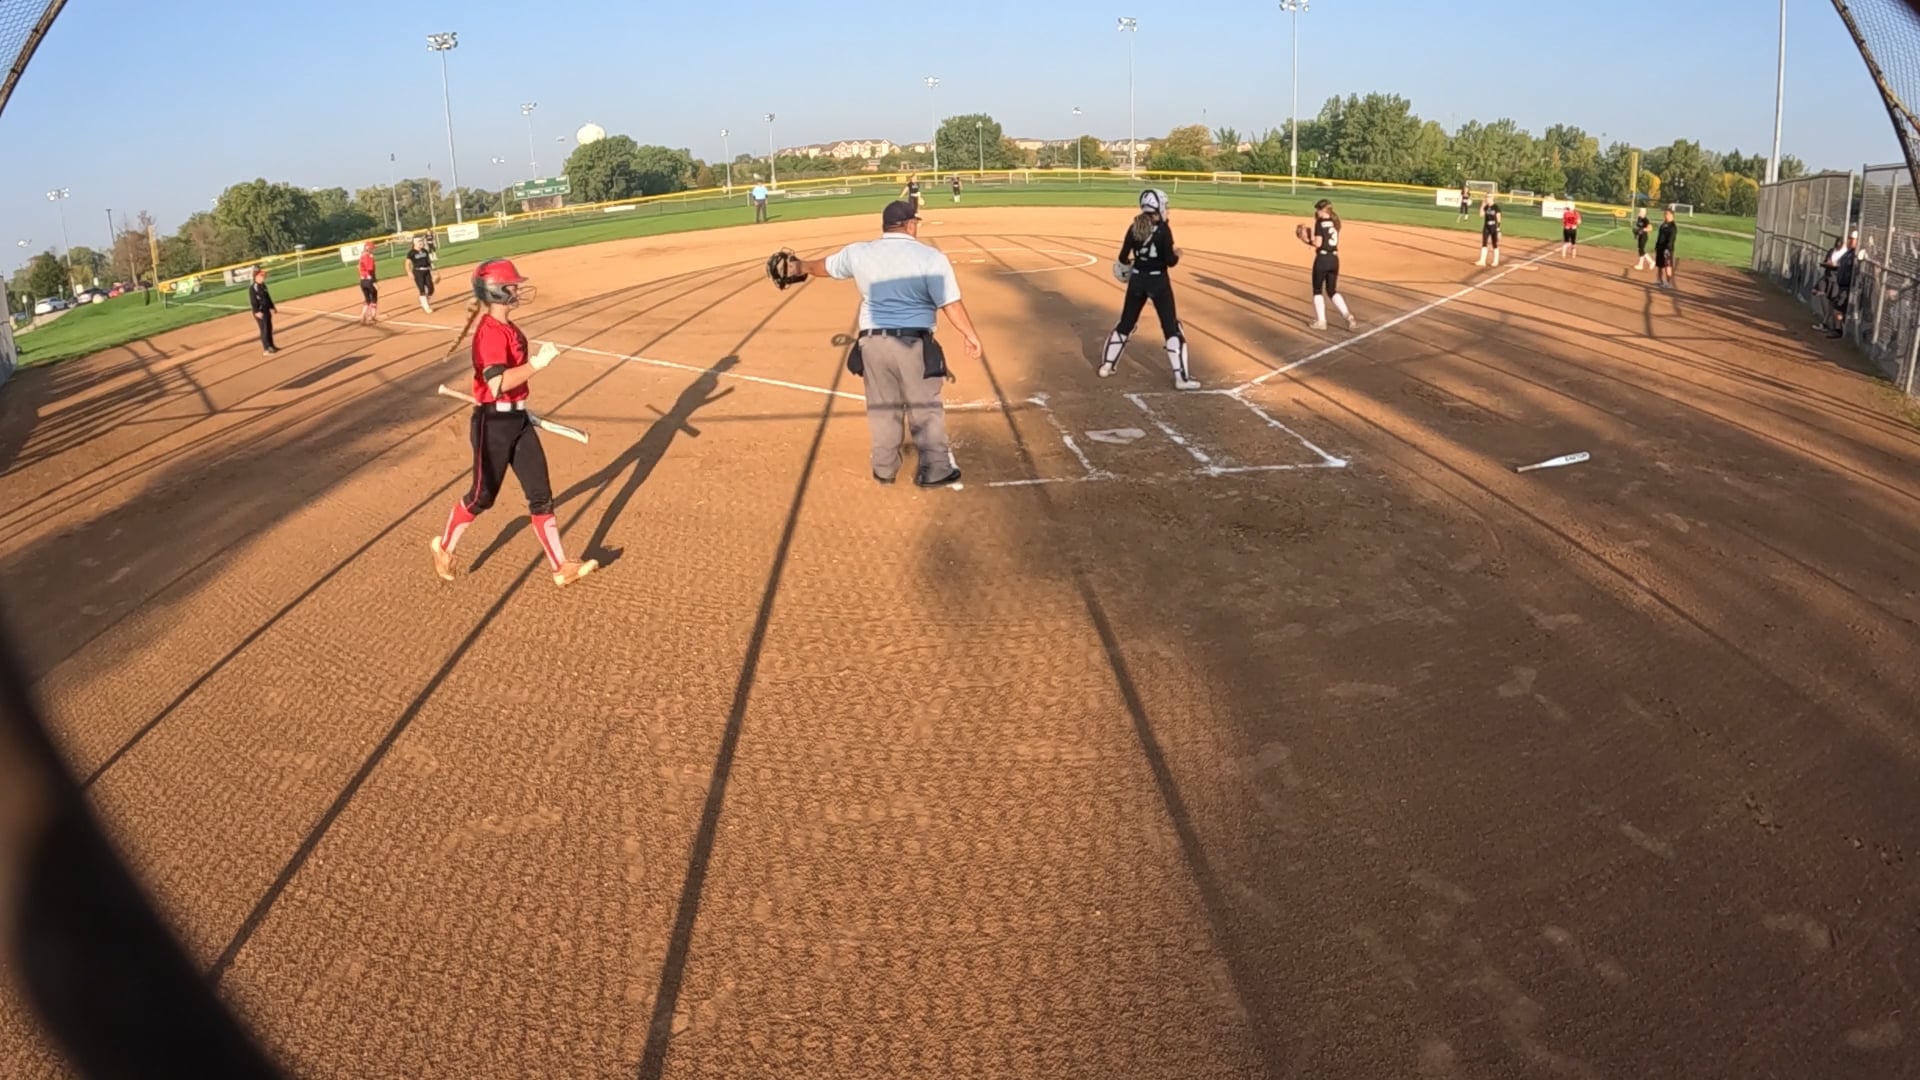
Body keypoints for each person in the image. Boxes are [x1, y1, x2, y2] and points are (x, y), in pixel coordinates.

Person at [431, 259, 597, 587]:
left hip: (517, 419)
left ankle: (560, 567)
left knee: (540, 494)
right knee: (482, 497)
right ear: (496, 291)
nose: (517, 289)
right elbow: (496, 384)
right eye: (511, 285)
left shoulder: (508, 327)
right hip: (492, 424)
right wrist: (537, 364)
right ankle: (444, 547)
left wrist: (519, 407)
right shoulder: (490, 334)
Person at [792, 200, 983, 487]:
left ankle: (884, 469)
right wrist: (969, 334)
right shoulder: (930, 257)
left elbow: (823, 267)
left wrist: (800, 266)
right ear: (910, 225)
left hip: (872, 344)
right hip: (913, 344)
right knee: (924, 408)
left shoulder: (859, 252)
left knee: (882, 408)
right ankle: (936, 470)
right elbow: (950, 303)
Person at [1101, 189, 1199, 389]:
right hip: (1158, 282)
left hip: (1137, 280)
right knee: (1171, 327)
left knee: (1126, 323)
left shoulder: (1134, 227)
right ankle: (1181, 379)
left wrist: (1134, 263)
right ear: (1159, 207)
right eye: (1166, 206)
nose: (1167, 210)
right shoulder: (1163, 230)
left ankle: (1107, 366)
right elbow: (1170, 262)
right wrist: (1177, 254)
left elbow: (1122, 257)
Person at [1299, 198, 1357, 331]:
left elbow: (1318, 244)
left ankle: (1321, 322)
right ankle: (1348, 316)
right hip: (1334, 260)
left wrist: (1306, 240)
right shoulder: (1335, 222)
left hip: (1322, 260)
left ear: (1324, 210)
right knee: (1332, 291)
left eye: (1318, 209)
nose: (1317, 212)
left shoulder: (1320, 223)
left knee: (1317, 290)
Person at [1817, 231, 1858, 338]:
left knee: (1838, 308)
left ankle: (1838, 330)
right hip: (1841, 284)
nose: (1849, 241)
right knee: (1836, 307)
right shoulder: (1848, 253)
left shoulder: (1855, 254)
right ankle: (1836, 328)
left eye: (1852, 239)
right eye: (1849, 239)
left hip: (1847, 286)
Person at [248, 267, 277, 355]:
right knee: (264, 329)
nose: (263, 277)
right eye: (261, 276)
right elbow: (253, 301)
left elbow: (268, 297)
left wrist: (272, 307)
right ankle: (266, 349)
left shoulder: (263, 285)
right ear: (256, 277)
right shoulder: (253, 287)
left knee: (269, 328)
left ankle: (271, 346)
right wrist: (256, 311)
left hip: (266, 310)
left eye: (263, 276)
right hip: (260, 312)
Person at [405, 235, 437, 314]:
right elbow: (407, 263)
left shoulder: (425, 251)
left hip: (427, 271)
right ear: (415, 243)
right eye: (419, 241)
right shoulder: (411, 253)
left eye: (421, 241)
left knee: (431, 288)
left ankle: (424, 301)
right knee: (422, 289)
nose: (421, 243)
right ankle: (426, 307)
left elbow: (429, 262)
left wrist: (434, 271)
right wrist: (409, 272)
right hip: (418, 272)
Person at [1475, 194, 1502, 267]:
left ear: (1492, 198)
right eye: (1486, 197)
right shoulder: (1486, 207)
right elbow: (1481, 215)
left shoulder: (1496, 207)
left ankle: (1495, 261)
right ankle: (1482, 261)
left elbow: (1499, 219)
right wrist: (1482, 206)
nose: (1487, 198)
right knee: (1484, 243)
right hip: (1486, 227)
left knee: (1494, 243)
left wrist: (1498, 230)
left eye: (1489, 197)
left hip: (1494, 227)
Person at [1654, 208, 1678, 289]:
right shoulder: (1663, 224)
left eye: (1667, 214)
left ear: (1671, 215)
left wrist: (1668, 248)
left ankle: (1668, 282)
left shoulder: (1672, 226)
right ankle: (1659, 280)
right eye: (1664, 214)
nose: (1665, 215)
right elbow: (1659, 236)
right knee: (1659, 265)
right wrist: (1657, 245)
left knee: (1667, 265)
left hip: (1667, 249)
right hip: (1660, 247)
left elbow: (1671, 238)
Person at [356, 242, 378, 324]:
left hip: (362, 281)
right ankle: (372, 317)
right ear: (369, 249)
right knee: (374, 298)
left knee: (367, 299)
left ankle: (362, 315)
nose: (373, 250)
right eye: (372, 248)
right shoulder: (369, 257)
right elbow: (370, 269)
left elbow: (358, 267)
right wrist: (374, 282)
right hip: (369, 280)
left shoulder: (361, 257)